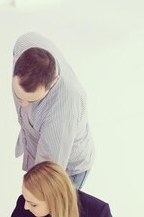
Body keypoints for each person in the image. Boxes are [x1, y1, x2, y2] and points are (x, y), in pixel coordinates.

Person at [12, 32, 94, 189]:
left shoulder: (61, 111)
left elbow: (47, 173)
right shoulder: (24, 44)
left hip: (68, 170)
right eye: (18, 94)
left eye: (31, 100)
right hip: (40, 145)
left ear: (53, 82)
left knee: (54, 212)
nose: (22, 103)